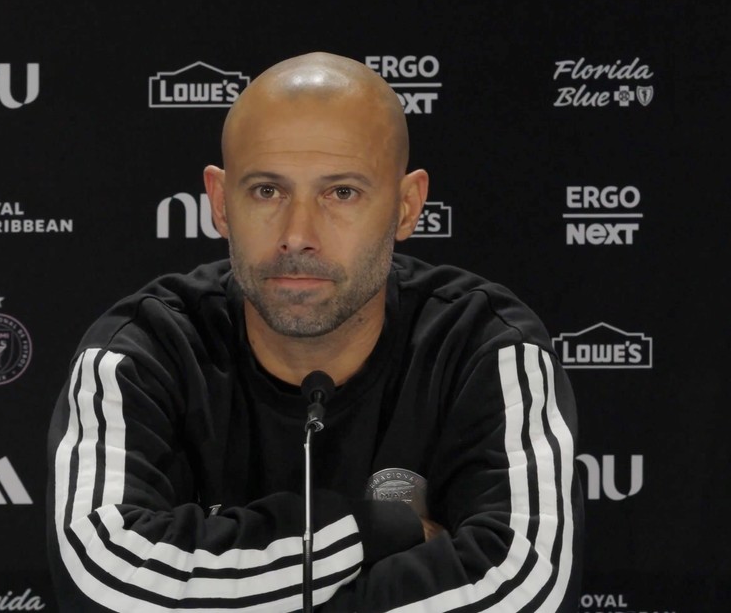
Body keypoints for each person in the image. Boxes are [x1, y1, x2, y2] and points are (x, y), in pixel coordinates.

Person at [47, 52, 583, 612]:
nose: (298, 234)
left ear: (406, 207)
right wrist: (374, 531)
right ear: (221, 203)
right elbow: (106, 579)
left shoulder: (486, 347)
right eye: (267, 191)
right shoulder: (140, 353)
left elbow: (525, 588)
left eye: (341, 192)